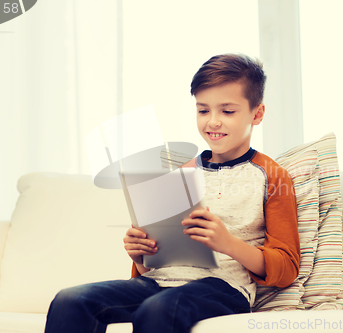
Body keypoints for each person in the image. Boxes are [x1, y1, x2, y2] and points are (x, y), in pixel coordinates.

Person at [44, 53, 300, 333]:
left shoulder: (271, 175)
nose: (213, 122)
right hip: (158, 282)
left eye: (227, 111)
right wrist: (139, 253)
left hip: (224, 288)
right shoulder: (176, 172)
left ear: (257, 113)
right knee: (71, 300)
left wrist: (228, 243)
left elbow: (286, 267)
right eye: (203, 110)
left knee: (159, 308)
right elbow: (147, 267)